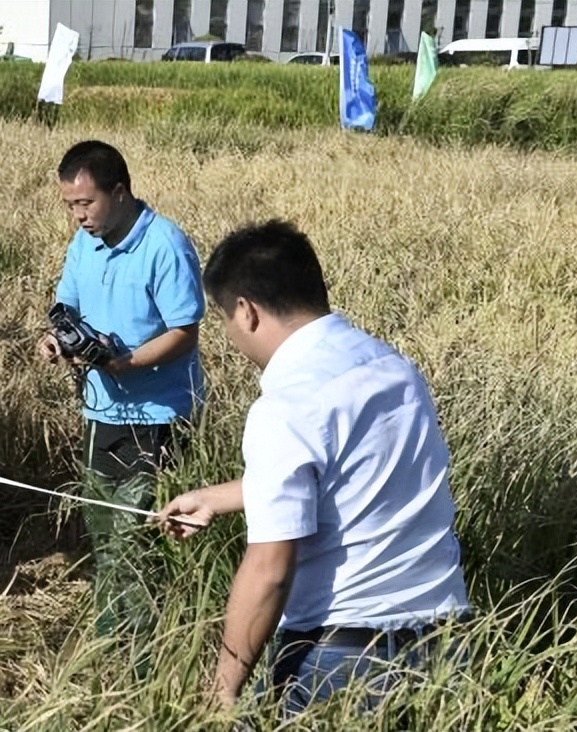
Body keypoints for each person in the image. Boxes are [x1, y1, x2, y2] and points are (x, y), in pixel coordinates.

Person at [156, 220, 471, 716]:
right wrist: (218, 498)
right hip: (445, 645)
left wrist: (221, 691)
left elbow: (270, 569)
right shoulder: (395, 369)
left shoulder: (286, 403)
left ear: (247, 311)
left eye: (223, 319)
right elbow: (354, 474)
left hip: (341, 660)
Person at [37, 140, 205, 669]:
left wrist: (126, 363)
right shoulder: (83, 244)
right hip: (101, 415)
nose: (78, 215)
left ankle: (148, 662)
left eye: (85, 203)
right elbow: (67, 307)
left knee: (139, 545)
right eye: (69, 205)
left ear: (120, 192)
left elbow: (185, 331)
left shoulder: (164, 245)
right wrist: (58, 342)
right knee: (106, 539)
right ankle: (111, 644)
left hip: (157, 419)